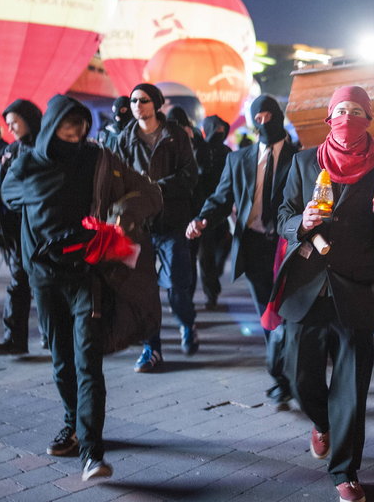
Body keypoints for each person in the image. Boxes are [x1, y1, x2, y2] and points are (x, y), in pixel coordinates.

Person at [1, 94, 161, 480]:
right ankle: (73, 424)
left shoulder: (98, 159)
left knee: (88, 362)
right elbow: (8, 197)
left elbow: (151, 194)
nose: (76, 131)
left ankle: (93, 451)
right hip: (44, 277)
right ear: (52, 123)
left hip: (87, 275)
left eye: (81, 124)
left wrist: (121, 213)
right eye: (68, 123)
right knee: (61, 361)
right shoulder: (26, 164)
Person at [276, 85, 374, 502]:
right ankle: (322, 421)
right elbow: (283, 215)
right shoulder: (302, 162)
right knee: (299, 374)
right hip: (306, 284)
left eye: (356, 111)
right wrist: (301, 221)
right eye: (341, 110)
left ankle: (345, 472)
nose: (348, 118)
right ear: (329, 117)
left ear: (369, 119)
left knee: (351, 384)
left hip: (356, 285)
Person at [186, 95, 299, 408]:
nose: (263, 122)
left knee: (290, 312)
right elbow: (221, 197)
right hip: (252, 246)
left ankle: (292, 371)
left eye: (269, 116)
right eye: (258, 118)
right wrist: (202, 219)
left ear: (278, 117)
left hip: (288, 247)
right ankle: (280, 379)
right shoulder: (238, 160)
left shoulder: (300, 157)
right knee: (268, 313)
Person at [111, 83, 199, 372]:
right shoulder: (124, 140)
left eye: (144, 100)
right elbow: (117, 180)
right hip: (140, 225)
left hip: (172, 221)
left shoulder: (175, 135)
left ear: (157, 103)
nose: (137, 105)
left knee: (176, 284)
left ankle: (187, 323)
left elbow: (189, 176)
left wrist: (155, 189)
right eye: (134, 100)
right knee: (144, 289)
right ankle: (152, 348)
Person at [0, 100, 45, 355]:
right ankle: (15, 339)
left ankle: (52, 334)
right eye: (8, 124)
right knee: (18, 282)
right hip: (17, 231)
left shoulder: (47, 148)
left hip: (44, 230)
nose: (10, 128)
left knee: (46, 286)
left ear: (29, 119)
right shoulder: (11, 149)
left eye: (14, 122)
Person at [193, 115, 232, 310]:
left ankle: (213, 282)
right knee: (205, 255)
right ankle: (211, 293)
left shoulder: (227, 152)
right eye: (215, 130)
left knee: (223, 246)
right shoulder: (199, 151)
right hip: (203, 211)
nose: (219, 133)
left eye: (221, 130)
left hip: (222, 211)